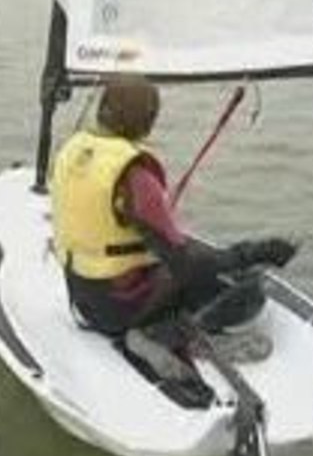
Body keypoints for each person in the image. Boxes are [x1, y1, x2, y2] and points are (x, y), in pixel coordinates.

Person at [50, 75, 296, 402]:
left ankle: (151, 326)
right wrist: (252, 253)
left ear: (102, 109)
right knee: (248, 293)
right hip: (121, 307)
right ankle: (161, 335)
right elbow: (184, 262)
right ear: (148, 121)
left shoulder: (73, 150)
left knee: (195, 267)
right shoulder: (134, 174)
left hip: (81, 299)